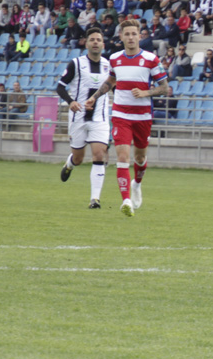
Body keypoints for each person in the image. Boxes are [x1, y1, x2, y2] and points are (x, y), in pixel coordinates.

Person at [85, 19, 170, 217]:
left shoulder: (151, 59)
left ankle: (137, 184)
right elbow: (111, 81)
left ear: (140, 36)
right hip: (121, 115)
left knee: (140, 158)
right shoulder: (114, 59)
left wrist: (146, 93)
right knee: (122, 157)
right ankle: (126, 200)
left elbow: (164, 88)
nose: (131, 37)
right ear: (121, 36)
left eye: (134, 34)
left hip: (143, 117)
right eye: (127, 34)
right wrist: (94, 97)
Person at [57, 28, 112, 209]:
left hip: (100, 118)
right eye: (92, 39)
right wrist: (71, 101)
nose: (96, 42)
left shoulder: (109, 66)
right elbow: (60, 87)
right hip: (78, 118)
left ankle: (94, 200)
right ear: (86, 43)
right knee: (79, 158)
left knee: (99, 154)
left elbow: (115, 87)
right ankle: (70, 164)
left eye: (99, 39)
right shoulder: (76, 63)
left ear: (103, 44)